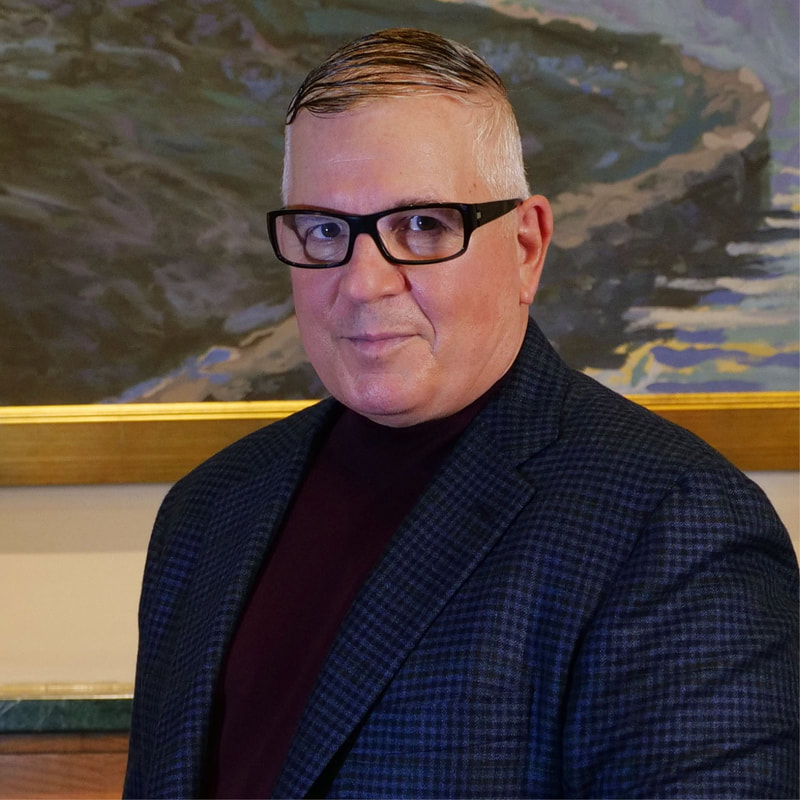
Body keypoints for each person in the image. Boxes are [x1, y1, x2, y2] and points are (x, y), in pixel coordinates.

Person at [123, 28, 798, 799]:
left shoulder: (676, 525)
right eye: (325, 230)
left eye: (422, 226)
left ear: (526, 247)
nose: (364, 282)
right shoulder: (207, 511)